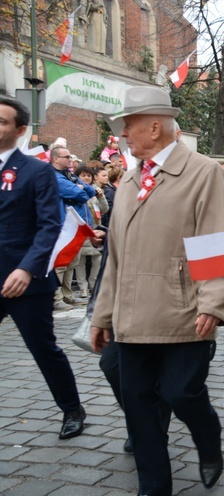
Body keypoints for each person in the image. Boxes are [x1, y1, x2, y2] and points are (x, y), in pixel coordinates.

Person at [90, 86, 224, 496]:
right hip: (132, 318)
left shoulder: (202, 172)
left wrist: (214, 304)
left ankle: (208, 438)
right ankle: (153, 488)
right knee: (138, 405)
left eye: (128, 127)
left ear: (155, 126)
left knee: (182, 394)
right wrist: (103, 316)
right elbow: (114, 259)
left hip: (184, 312)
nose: (124, 136)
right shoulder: (132, 179)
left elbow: (220, 242)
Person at [0, 96, 86, 440]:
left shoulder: (36, 170)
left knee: (44, 349)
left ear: (20, 130)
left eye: (3, 121)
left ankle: (72, 409)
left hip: (26, 282)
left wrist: (27, 269)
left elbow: (50, 225)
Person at [50, 146, 96, 307]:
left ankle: (68, 295)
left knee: (72, 262)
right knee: (61, 263)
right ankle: (56, 298)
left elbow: (90, 191)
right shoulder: (55, 177)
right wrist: (80, 189)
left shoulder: (69, 176)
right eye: (66, 157)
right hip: (63, 227)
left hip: (75, 226)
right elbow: (80, 194)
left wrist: (80, 188)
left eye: (70, 157)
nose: (70, 160)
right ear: (55, 159)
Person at [72, 164, 108, 298]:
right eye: (83, 175)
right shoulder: (75, 189)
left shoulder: (95, 191)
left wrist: (101, 197)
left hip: (95, 228)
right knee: (80, 260)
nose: (86, 177)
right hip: (80, 228)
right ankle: (83, 288)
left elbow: (104, 209)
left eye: (88, 175)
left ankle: (93, 284)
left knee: (98, 257)